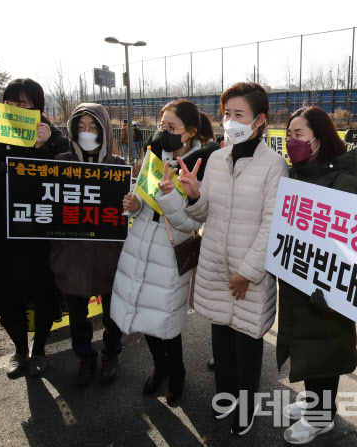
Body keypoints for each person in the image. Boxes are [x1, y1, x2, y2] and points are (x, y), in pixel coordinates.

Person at [178, 82, 288, 436]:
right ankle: (225, 398)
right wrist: (194, 196)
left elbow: (272, 225)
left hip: (246, 276)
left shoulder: (274, 166)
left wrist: (248, 272)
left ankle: (246, 406)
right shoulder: (216, 158)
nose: (230, 120)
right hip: (214, 268)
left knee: (246, 346)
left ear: (259, 121)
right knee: (221, 344)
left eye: (238, 114)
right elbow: (203, 214)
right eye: (226, 114)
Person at [0, 78, 69, 378]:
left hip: (38, 231)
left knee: (41, 292)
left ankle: (39, 350)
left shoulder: (54, 139)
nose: (15, 110)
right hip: (0, 229)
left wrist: (40, 147)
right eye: (10, 104)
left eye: (23, 105)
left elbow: (59, 184)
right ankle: (18, 350)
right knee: (5, 292)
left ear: (38, 108)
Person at [276, 106, 357, 444]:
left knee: (325, 347)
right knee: (307, 344)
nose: (291, 142)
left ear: (319, 139)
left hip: (327, 285)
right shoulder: (297, 175)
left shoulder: (341, 181)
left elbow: (352, 243)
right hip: (299, 277)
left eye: (298, 135)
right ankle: (316, 404)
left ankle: (322, 417)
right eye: (288, 135)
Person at [110, 99, 204, 406]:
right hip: (141, 244)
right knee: (146, 313)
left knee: (167, 320)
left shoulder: (200, 165)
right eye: (162, 126)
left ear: (189, 132)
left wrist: (169, 197)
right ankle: (159, 367)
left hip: (170, 250)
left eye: (172, 127)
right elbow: (139, 198)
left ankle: (177, 373)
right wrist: (133, 206)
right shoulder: (153, 155)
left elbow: (192, 221)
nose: (164, 132)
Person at [48, 103, 126, 386]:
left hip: (108, 255)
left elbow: (130, 211)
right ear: (70, 131)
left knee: (111, 312)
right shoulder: (61, 161)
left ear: (104, 131)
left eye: (93, 128)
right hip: (71, 255)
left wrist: (134, 203)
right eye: (80, 128)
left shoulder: (118, 166)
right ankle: (84, 356)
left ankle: (111, 353)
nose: (86, 133)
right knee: (77, 315)